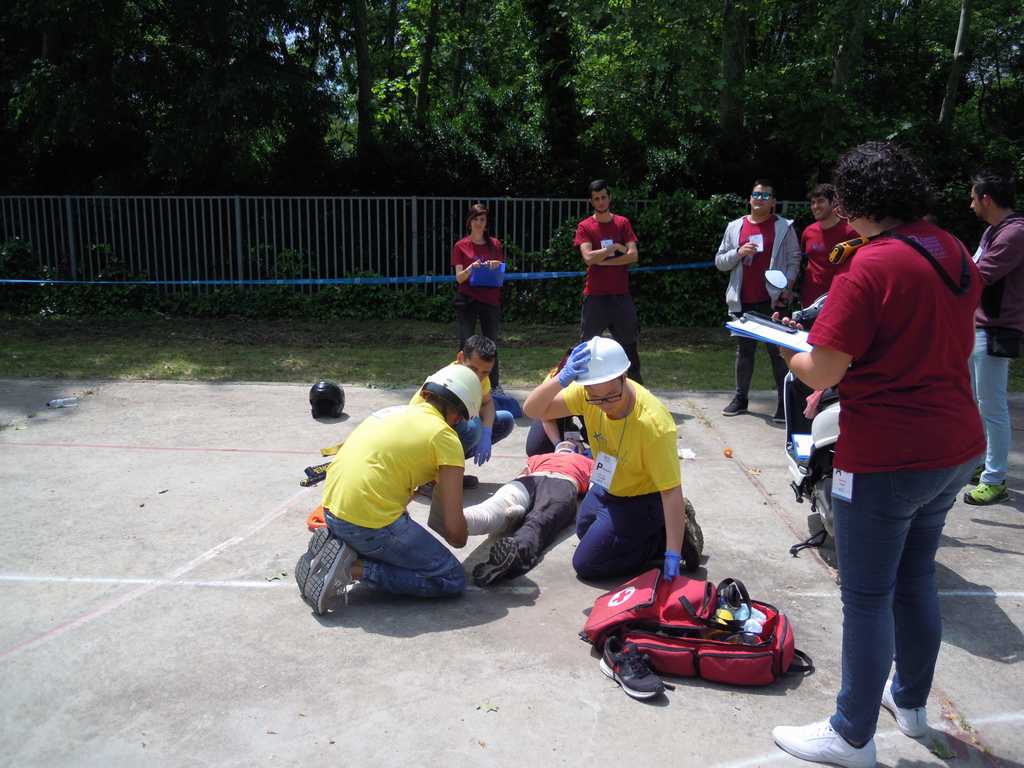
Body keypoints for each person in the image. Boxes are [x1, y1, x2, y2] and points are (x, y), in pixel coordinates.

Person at [771, 142, 984, 768]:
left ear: (856, 200)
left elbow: (823, 368)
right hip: (954, 446)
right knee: (914, 578)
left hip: (888, 454)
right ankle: (910, 705)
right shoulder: (951, 248)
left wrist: (784, 347)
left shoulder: (872, 264)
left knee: (865, 597)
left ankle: (851, 734)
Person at [295, 364, 483, 615]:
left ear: (426, 393)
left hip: (331, 512)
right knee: (450, 578)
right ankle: (352, 569)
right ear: (459, 416)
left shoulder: (388, 412)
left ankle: (343, 547)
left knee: (397, 522)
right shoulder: (445, 438)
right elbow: (456, 535)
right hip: (366, 525)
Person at [523, 336, 701, 581]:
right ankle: (649, 530)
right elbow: (532, 410)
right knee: (584, 529)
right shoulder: (587, 393)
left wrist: (672, 552)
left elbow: (670, 492)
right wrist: (561, 379)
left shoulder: (653, 425)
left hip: (641, 496)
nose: (604, 404)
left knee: (587, 564)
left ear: (624, 376)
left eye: (610, 396)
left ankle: (660, 540)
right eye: (595, 397)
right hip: (608, 485)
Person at [429, 439, 595, 586]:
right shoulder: (545, 458)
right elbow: (523, 473)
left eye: (574, 442)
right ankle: (458, 520)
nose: (569, 441)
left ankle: (511, 550)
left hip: (552, 482)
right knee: (509, 512)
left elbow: (594, 488)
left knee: (527, 518)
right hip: (543, 482)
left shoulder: (583, 461)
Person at [715, 178, 801, 422]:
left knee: (779, 354)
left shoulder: (784, 227)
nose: (760, 199)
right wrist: (738, 253)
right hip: (743, 301)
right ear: (749, 199)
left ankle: (784, 404)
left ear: (773, 202)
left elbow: (794, 259)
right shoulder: (735, 227)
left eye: (765, 196)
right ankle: (740, 399)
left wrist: (787, 287)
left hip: (773, 301)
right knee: (744, 352)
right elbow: (720, 262)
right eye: (756, 195)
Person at [964, 170, 1024, 506]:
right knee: (976, 403)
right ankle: (981, 463)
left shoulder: (1015, 233)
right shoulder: (993, 231)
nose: (970, 203)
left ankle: (995, 478)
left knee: (993, 407)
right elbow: (974, 266)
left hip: (996, 329)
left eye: (973, 197)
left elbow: (979, 274)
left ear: (986, 199)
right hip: (979, 327)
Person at [410, 334, 515, 486]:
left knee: (505, 420)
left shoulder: (480, 377)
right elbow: (431, 428)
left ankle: (449, 473)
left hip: (448, 432)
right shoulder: (451, 381)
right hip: (423, 439)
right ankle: (434, 479)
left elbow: (487, 404)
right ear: (460, 358)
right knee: (473, 427)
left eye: (485, 372)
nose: (478, 376)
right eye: (473, 369)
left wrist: (487, 433)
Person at [574, 180, 643, 383]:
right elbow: (588, 257)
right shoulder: (585, 226)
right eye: (596, 199)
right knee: (586, 347)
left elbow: (633, 255)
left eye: (603, 197)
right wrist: (612, 249)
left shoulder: (622, 223)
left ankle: (636, 390)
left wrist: (603, 261)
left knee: (629, 346)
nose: (601, 201)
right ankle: (581, 390)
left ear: (609, 197)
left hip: (621, 296)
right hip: (595, 296)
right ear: (591, 201)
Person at [452, 203, 506, 392]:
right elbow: (459, 278)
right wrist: (471, 268)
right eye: (475, 219)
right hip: (467, 299)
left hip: (490, 299)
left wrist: (495, 265)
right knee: (466, 343)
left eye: (482, 219)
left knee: (491, 344)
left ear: (486, 222)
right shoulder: (460, 246)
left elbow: (500, 273)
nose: (479, 223)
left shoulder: (495, 244)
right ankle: (462, 383)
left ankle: (494, 385)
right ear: (470, 222)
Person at [799, 183, 858, 308]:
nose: (815, 206)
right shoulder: (808, 232)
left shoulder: (851, 233)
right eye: (813, 202)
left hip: (838, 300)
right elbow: (803, 262)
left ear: (834, 203)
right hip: (808, 301)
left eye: (821, 201)